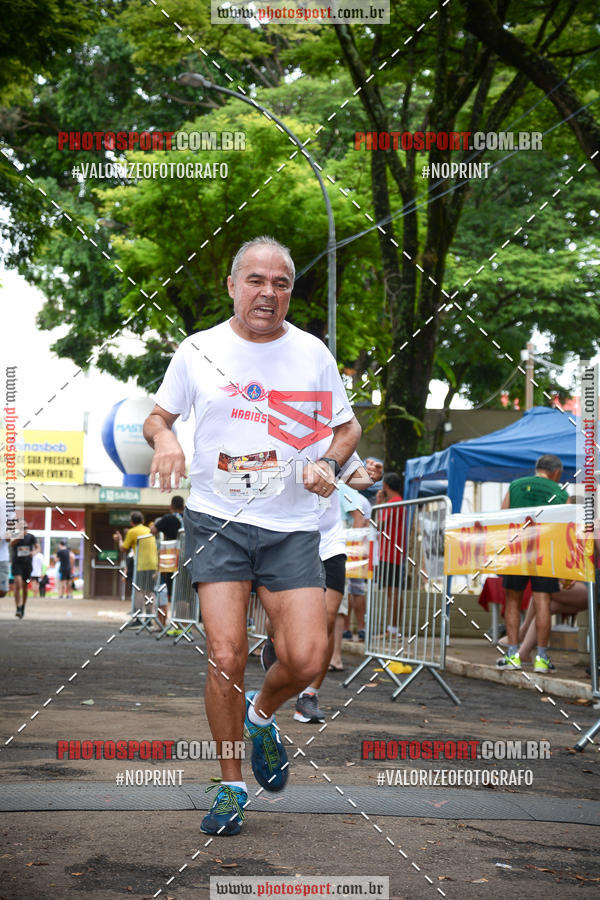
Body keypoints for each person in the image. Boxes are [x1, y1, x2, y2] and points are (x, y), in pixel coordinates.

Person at [144, 235, 361, 836]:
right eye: (256, 281)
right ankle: (231, 786)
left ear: (291, 290)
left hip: (292, 525)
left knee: (308, 657)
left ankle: (262, 715)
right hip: (219, 522)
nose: (269, 292)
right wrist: (166, 440)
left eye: (282, 283)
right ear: (233, 286)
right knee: (225, 654)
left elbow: (347, 429)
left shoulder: (312, 353)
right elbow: (158, 416)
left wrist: (329, 463)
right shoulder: (198, 350)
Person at [261, 455, 372, 723]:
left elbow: (361, 480)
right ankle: (273, 641)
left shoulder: (336, 441)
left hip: (330, 543)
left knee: (327, 617)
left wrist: (371, 475)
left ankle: (309, 696)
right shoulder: (279, 435)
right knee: (281, 617)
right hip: (287, 538)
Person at [496, 454, 570, 672]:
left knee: (512, 601)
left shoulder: (515, 486)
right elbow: (566, 531)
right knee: (542, 602)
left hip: (517, 552)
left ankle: (512, 656)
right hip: (545, 555)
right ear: (556, 472)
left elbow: (502, 518)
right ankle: (541, 659)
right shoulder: (562, 493)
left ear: (537, 468)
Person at [499, 580, 587, 668]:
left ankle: (523, 633)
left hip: (591, 586)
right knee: (547, 604)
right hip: (582, 584)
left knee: (542, 590)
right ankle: (525, 653)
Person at [376, 472, 405, 644]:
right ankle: (393, 629)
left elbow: (379, 524)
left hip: (390, 553)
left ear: (386, 486)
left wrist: (379, 504)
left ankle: (392, 630)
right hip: (394, 553)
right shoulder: (398, 502)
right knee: (394, 592)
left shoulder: (394, 503)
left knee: (392, 592)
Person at [340, 485, 372, 641]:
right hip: (357, 546)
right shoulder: (363, 499)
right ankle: (353, 629)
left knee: (354, 588)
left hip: (354, 547)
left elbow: (362, 521)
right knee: (353, 588)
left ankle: (358, 628)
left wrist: (351, 544)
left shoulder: (349, 494)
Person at [151, 495, 185, 633]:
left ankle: (162, 624)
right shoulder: (188, 518)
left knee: (164, 591)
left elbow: (153, 530)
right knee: (183, 593)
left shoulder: (168, 518)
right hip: (186, 559)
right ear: (183, 506)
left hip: (169, 560)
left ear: (171, 506)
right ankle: (183, 625)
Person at [114, 512, 158, 615]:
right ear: (143, 521)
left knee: (138, 591)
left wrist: (120, 539)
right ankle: (149, 617)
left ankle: (137, 618)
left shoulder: (132, 531)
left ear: (131, 522)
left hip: (141, 565)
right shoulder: (149, 530)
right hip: (153, 564)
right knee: (149, 591)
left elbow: (123, 548)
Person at [11, 521, 37, 618]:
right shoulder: (15, 535)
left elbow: (38, 548)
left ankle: (23, 607)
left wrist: (33, 552)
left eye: (25, 527)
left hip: (27, 565)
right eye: (22, 527)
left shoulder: (31, 537)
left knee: (25, 587)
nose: (24, 529)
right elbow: (11, 544)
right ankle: (18, 607)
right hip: (17, 564)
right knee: (17, 584)